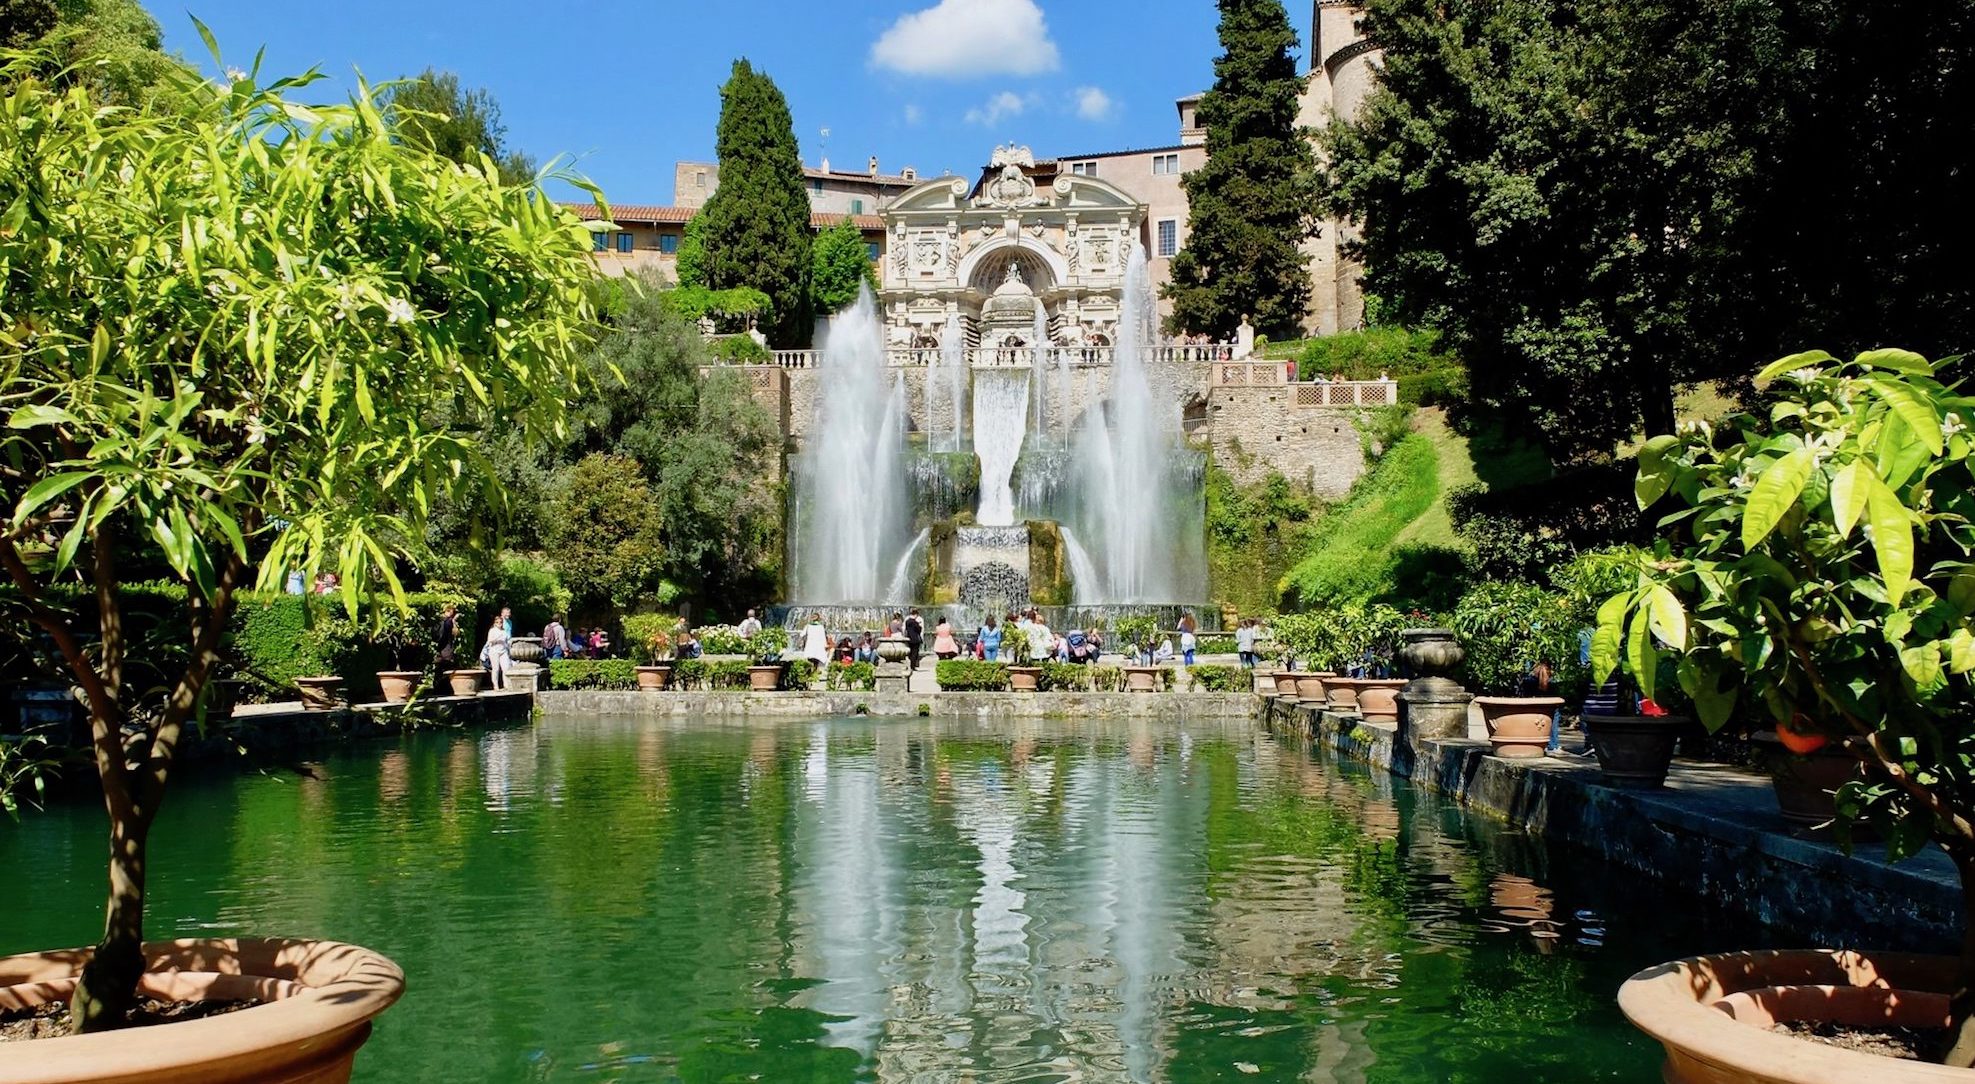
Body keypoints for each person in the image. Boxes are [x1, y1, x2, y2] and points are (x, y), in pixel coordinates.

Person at [482, 615, 511, 690]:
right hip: (494, 650)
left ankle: (506, 684)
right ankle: (495, 685)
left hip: (503, 650)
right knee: (496, 668)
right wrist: (497, 639)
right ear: (495, 623)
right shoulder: (492, 630)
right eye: (497, 622)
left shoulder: (504, 631)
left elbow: (507, 640)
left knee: (506, 668)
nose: (499, 624)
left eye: (501, 622)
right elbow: (489, 641)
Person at [434, 604, 460, 669]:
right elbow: (455, 633)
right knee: (447, 671)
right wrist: (453, 621)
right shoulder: (449, 621)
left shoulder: (439, 621)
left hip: (440, 650)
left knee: (439, 670)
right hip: (447, 651)